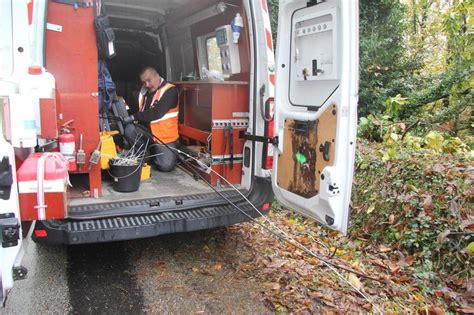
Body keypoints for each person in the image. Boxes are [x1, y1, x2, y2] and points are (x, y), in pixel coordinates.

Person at [122, 66, 179, 172]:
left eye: (149, 80)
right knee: (130, 129)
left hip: (164, 136)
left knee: (165, 166)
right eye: (144, 82)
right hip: (147, 132)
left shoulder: (170, 90)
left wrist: (134, 117)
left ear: (157, 76)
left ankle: (156, 153)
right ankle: (143, 154)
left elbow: (156, 113)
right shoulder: (143, 92)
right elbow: (136, 108)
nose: (147, 85)